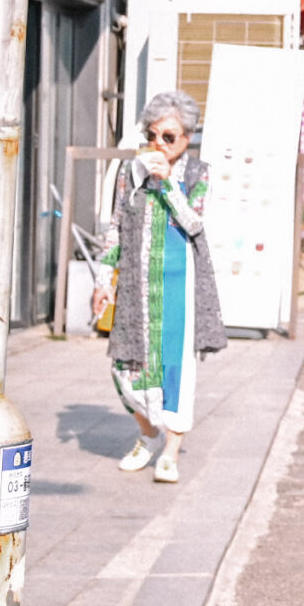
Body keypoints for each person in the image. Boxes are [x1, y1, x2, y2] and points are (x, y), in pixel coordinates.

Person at [102, 92, 227, 485]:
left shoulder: (196, 174)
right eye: (152, 135)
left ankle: (170, 452)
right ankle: (147, 433)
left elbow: (194, 223)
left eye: (168, 137)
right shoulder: (130, 172)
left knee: (175, 366)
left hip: (180, 284)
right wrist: (104, 278)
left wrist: (166, 182)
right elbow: (117, 224)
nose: (158, 145)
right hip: (137, 283)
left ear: (187, 137)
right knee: (125, 365)